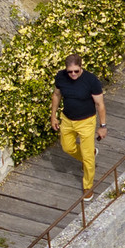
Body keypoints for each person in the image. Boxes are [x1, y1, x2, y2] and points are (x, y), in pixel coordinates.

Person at [49, 53, 107, 199]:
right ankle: (90, 155)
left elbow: (100, 104)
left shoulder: (91, 80)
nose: (73, 74)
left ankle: (88, 186)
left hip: (86, 121)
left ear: (81, 67)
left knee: (87, 158)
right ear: (66, 70)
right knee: (67, 147)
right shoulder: (61, 77)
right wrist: (53, 116)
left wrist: (103, 126)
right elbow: (56, 95)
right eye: (70, 71)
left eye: (76, 71)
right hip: (67, 119)